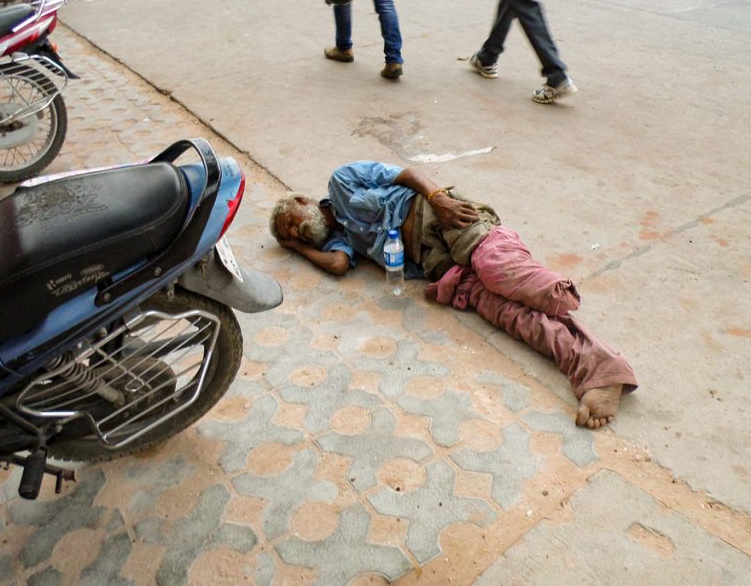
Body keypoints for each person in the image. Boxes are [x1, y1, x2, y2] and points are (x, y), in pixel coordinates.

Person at [270, 162, 638, 429]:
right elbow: (336, 265)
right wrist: (294, 247)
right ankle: (602, 371)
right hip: (437, 263)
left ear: (302, 199)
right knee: (512, 316)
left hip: (444, 218)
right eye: (292, 235)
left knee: (500, 272)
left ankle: (546, 289)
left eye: (291, 221)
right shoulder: (338, 241)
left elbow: (406, 174)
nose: (299, 231)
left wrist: (438, 198)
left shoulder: (342, 181)